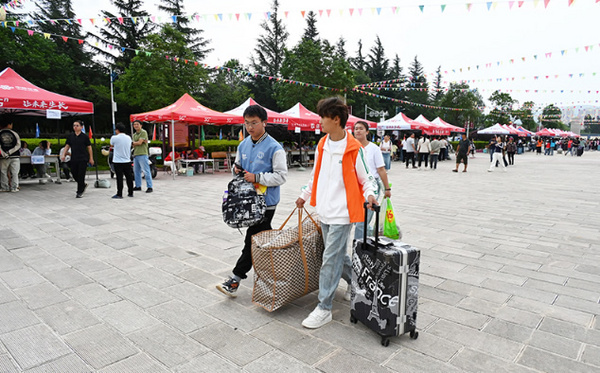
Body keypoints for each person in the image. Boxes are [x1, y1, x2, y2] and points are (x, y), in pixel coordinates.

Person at [295, 97, 377, 329]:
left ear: (336, 119)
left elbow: (366, 178)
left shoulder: (353, 148)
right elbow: (316, 174)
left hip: (342, 213)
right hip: (325, 211)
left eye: (323, 117)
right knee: (338, 256)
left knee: (330, 258)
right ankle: (359, 282)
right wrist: (304, 194)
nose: (319, 121)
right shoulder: (323, 144)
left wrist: (371, 195)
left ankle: (324, 308)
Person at [216, 105, 288, 297]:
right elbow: (237, 167)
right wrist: (237, 170)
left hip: (266, 202)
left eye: (254, 123)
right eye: (247, 123)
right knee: (262, 240)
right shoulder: (243, 145)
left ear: (264, 122)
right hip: (246, 200)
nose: (250, 127)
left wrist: (257, 177)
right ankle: (278, 273)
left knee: (252, 238)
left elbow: (281, 176)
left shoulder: (275, 147)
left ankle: (235, 278)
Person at [352, 120, 391, 241]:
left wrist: (387, 188)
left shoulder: (373, 148)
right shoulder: (350, 147)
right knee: (356, 220)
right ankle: (371, 234)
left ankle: (358, 249)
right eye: (356, 128)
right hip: (354, 188)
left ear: (367, 132)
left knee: (361, 222)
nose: (358, 130)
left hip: (371, 187)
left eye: (361, 128)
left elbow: (381, 169)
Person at [61, 120, 94, 198]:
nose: (75, 127)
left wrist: (91, 158)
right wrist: (63, 154)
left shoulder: (85, 137)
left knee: (81, 175)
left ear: (81, 127)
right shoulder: (71, 136)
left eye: (77, 125)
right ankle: (83, 185)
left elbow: (89, 148)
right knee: (74, 173)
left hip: (83, 158)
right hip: (74, 158)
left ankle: (79, 191)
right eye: (74, 125)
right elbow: (67, 146)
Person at [110, 123, 134, 199]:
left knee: (119, 178)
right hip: (127, 160)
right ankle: (130, 192)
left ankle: (119, 194)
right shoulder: (129, 138)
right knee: (129, 177)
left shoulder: (114, 138)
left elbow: (112, 145)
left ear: (117, 130)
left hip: (118, 161)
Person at [132, 120, 153, 193]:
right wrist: (136, 142)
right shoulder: (134, 135)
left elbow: (139, 143)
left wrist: (135, 142)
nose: (136, 126)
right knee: (136, 171)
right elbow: (135, 144)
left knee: (146, 171)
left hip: (143, 154)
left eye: (137, 124)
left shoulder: (143, 132)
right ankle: (138, 186)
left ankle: (149, 186)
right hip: (136, 154)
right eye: (134, 124)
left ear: (141, 125)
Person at [0, 119, 21, 192]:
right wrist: (10, 152)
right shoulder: (15, 133)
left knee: (3, 172)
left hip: (3, 157)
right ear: (9, 125)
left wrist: (4, 154)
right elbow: (18, 145)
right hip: (15, 156)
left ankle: (4, 187)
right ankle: (14, 187)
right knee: (15, 172)